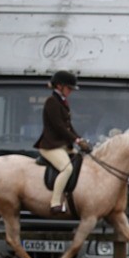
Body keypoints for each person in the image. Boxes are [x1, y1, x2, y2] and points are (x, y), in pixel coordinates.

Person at [34, 70, 91, 215]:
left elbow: (68, 126)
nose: (70, 91)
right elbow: (59, 126)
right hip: (50, 145)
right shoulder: (51, 101)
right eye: (69, 88)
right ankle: (55, 203)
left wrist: (80, 139)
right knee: (67, 168)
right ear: (59, 86)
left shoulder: (62, 101)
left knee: (80, 159)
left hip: (61, 145)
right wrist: (76, 140)